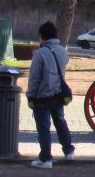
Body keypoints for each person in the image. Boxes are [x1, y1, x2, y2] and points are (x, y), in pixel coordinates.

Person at [26, 21, 75, 169]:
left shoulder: (39, 54)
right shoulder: (63, 51)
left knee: (43, 128)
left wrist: (30, 96)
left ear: (42, 36)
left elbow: (34, 78)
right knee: (60, 122)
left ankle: (45, 159)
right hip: (58, 93)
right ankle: (69, 151)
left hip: (42, 95)